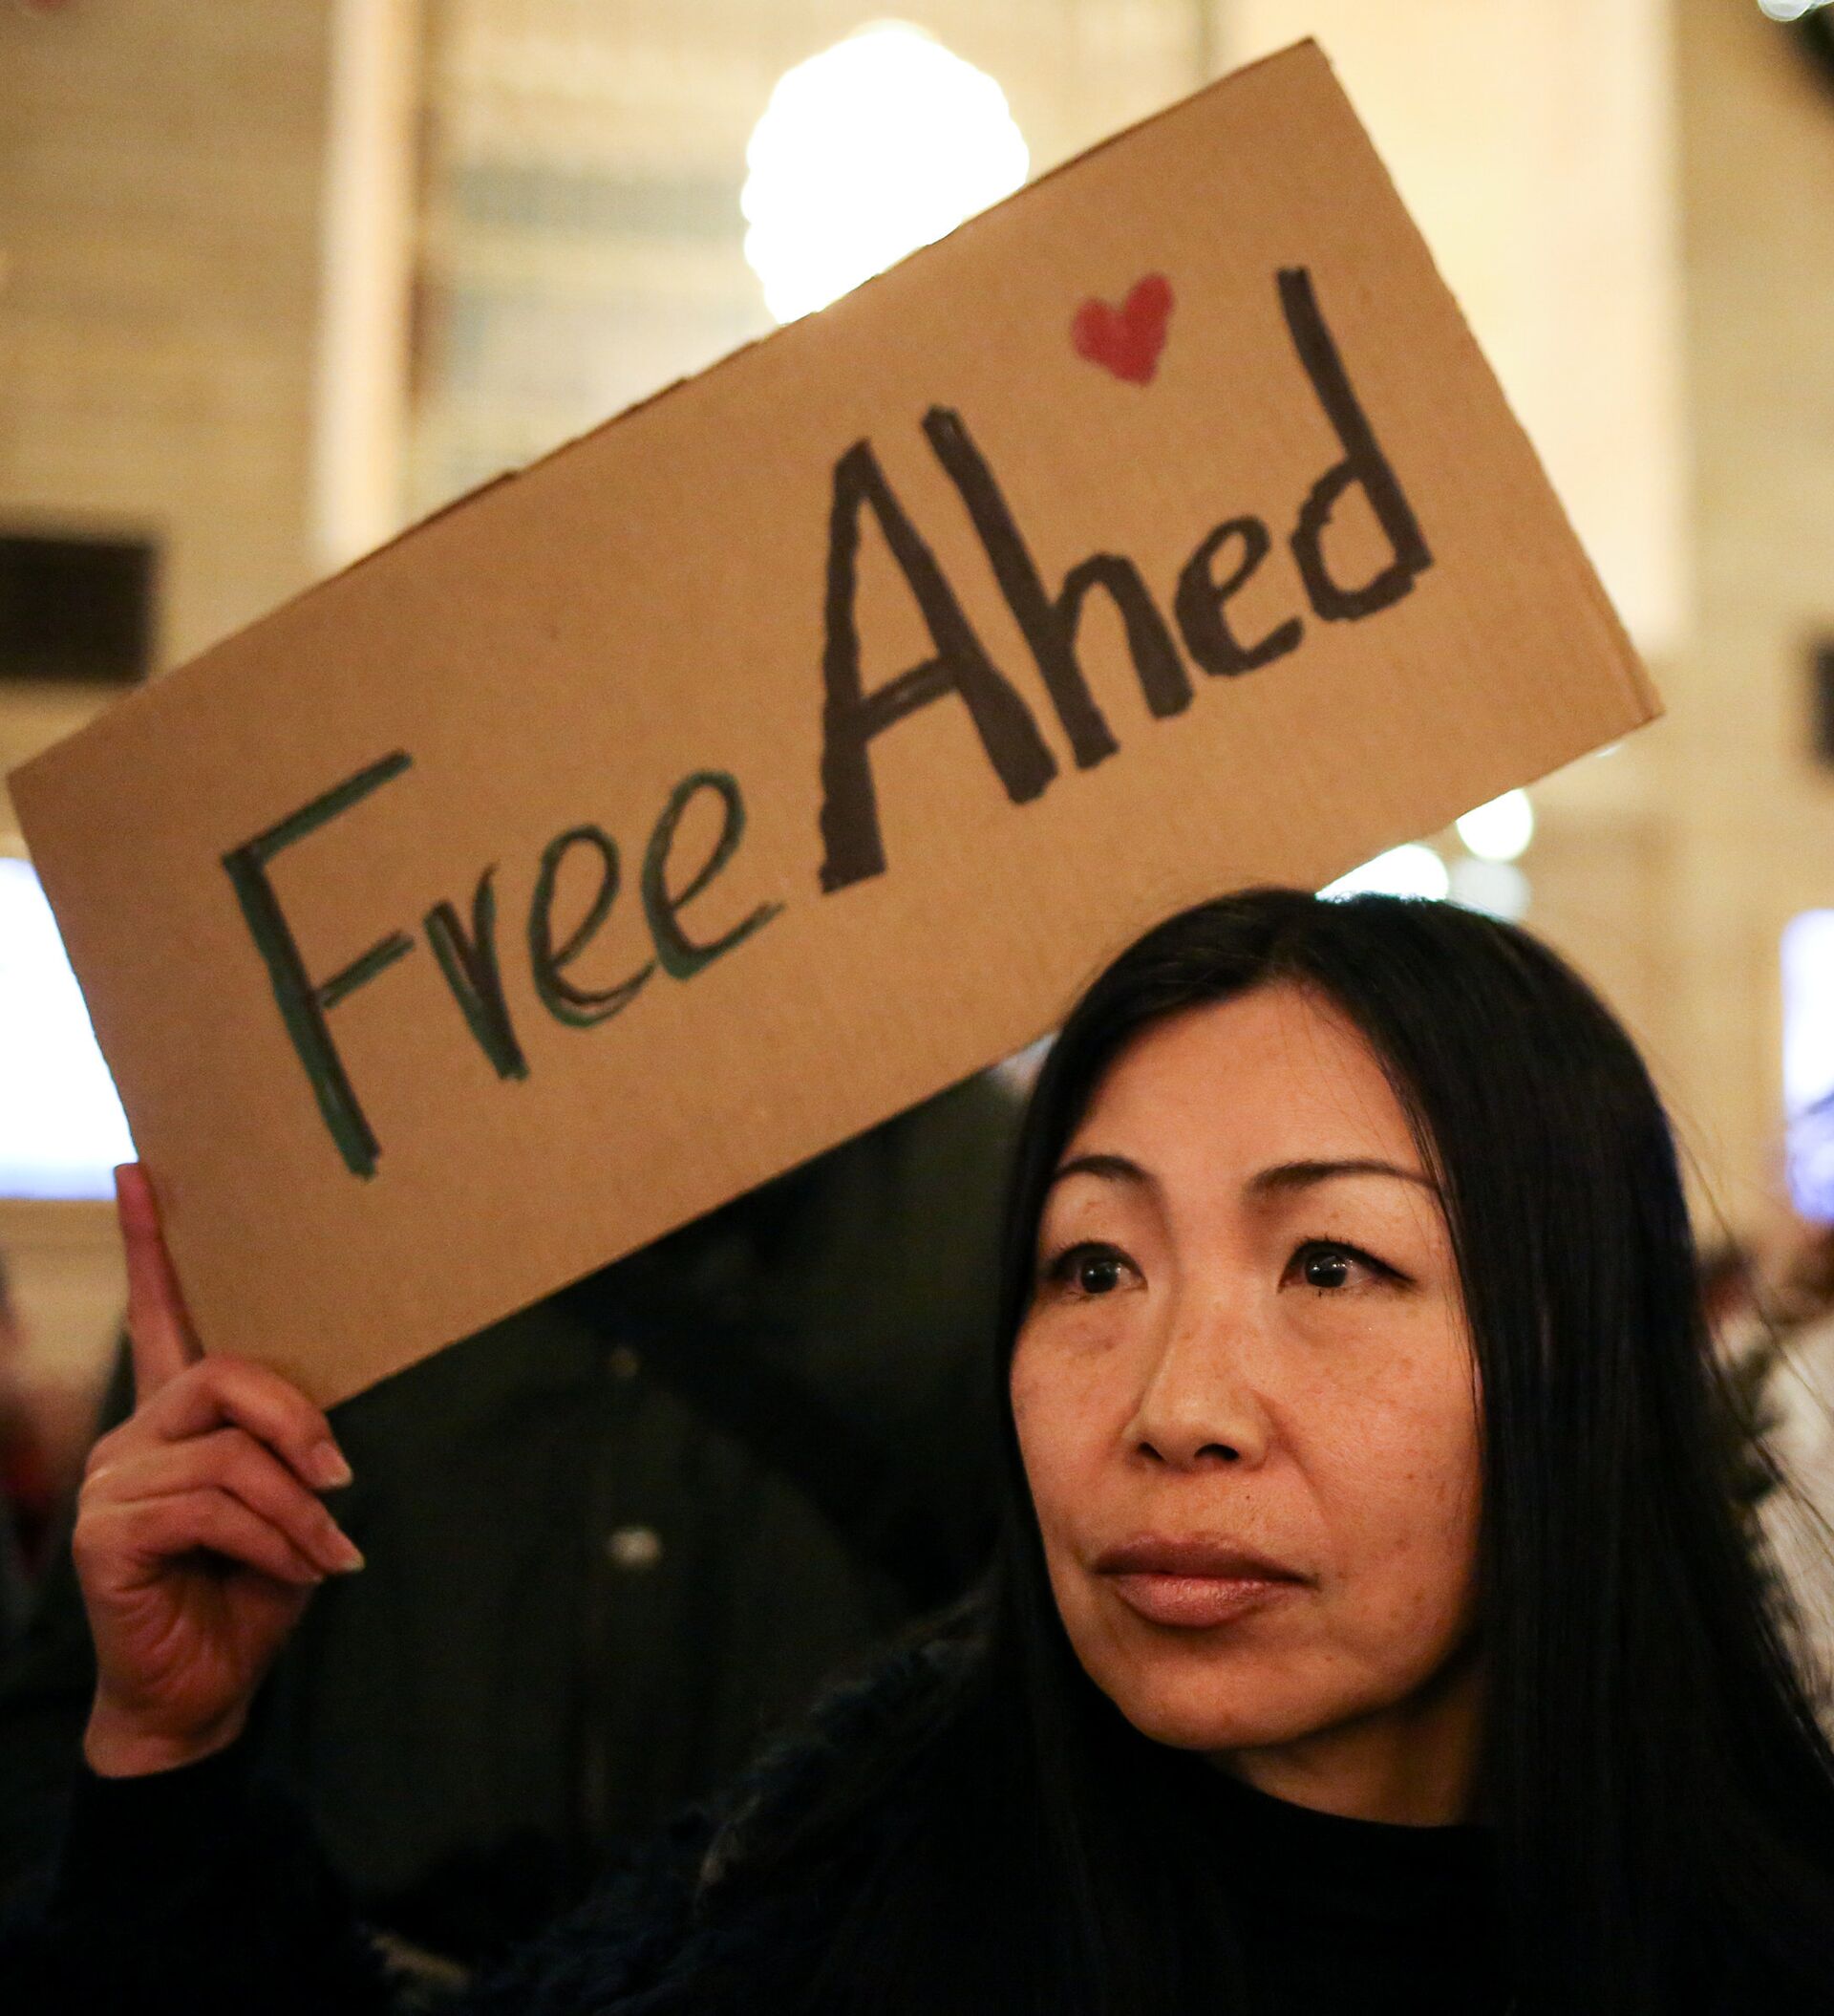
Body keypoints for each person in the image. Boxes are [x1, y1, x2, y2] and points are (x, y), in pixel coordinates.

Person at [9, 885, 1834, 2013]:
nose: (1175, 1406)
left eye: (1332, 1263)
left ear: (1579, 1350)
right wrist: (172, 1758)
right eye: (1094, 1266)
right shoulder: (816, 1897)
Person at [0, 1074, 1016, 1962]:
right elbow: (74, 1751)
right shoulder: (297, 1183)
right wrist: (159, 1748)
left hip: (825, 1968)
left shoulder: (996, 1189)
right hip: (363, 1971)